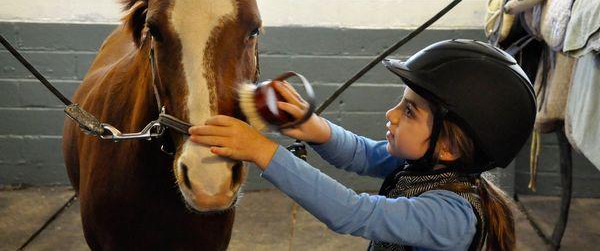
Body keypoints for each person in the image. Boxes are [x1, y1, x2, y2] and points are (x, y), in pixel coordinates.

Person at [189, 39, 536, 251]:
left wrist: (261, 151)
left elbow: (354, 213)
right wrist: (315, 128)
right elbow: (363, 154)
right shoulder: (425, 165)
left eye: (410, 111)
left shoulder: (452, 218)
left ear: (448, 147)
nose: (392, 114)